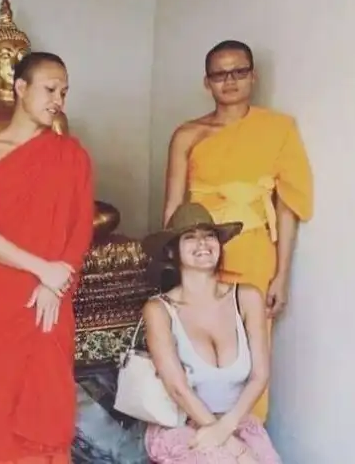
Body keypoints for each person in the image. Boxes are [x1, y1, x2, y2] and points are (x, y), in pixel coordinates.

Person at [160, 40, 313, 421]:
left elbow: (287, 206)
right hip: (199, 250)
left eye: (238, 72)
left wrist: (281, 275)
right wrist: (172, 266)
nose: (229, 81)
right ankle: (199, 428)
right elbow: (173, 208)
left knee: (251, 347)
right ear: (207, 82)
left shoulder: (277, 129)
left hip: (253, 250)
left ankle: (246, 433)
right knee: (194, 342)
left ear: (253, 76)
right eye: (219, 74)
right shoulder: (188, 134)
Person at [0, 51, 95, 464]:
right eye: (50, 89)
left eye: (64, 92)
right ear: (20, 87)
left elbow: (81, 226)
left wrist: (56, 283)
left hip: (53, 290)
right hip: (0, 286)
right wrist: (42, 270)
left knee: (47, 388)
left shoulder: (71, 154)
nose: (59, 100)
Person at [141, 202, 282, 464]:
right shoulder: (159, 309)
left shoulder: (247, 297)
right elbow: (178, 388)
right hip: (185, 427)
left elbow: (260, 376)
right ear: (172, 251)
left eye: (209, 235)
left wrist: (227, 428)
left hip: (236, 422)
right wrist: (233, 448)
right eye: (190, 237)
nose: (203, 243)